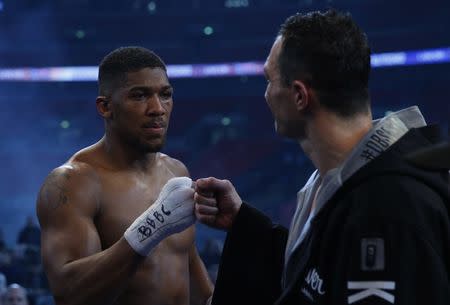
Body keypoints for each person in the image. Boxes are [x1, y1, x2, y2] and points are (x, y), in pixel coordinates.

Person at [194, 9, 450, 305]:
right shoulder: (348, 179)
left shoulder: (385, 209)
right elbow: (319, 276)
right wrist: (245, 223)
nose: (266, 95)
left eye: (269, 80)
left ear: (300, 96)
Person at [36, 46, 213, 305]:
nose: (157, 108)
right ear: (105, 107)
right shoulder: (74, 182)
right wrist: (153, 225)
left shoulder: (176, 171)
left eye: (165, 95)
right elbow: (69, 293)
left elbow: (185, 261)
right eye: (139, 96)